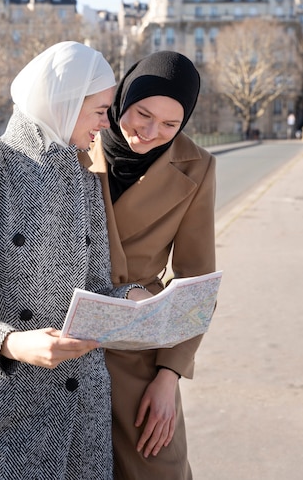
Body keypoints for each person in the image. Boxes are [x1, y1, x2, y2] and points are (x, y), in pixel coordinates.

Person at [0, 41, 146, 480]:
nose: (107, 125)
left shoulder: (85, 179)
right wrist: (12, 343)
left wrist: (136, 299)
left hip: (81, 411)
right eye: (100, 110)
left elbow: (97, 289)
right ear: (65, 103)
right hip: (6, 409)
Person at [85, 50, 216, 480]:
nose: (151, 131)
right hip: (66, 340)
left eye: (170, 124)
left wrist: (169, 374)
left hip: (140, 348)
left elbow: (196, 280)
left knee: (159, 466)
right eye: (142, 113)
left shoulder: (197, 166)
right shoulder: (76, 142)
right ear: (124, 97)